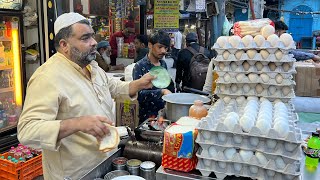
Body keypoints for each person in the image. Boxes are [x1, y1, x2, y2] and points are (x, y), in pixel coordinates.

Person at [17, 12, 154, 179]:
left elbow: (113, 87)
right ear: (64, 44)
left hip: (103, 162)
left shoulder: (92, 66)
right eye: (85, 38)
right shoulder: (47, 77)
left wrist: (138, 84)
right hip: (75, 173)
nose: (94, 42)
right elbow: (27, 131)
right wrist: (77, 124)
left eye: (93, 37)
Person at [132, 30, 175, 123]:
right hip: (147, 118)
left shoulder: (163, 64)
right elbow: (139, 95)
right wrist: (161, 92)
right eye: (160, 47)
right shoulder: (140, 66)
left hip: (163, 115)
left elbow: (166, 85)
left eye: (166, 48)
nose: (163, 51)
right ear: (150, 45)